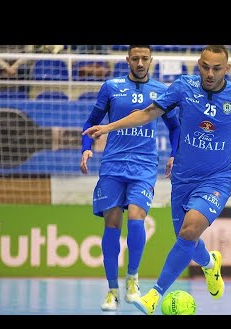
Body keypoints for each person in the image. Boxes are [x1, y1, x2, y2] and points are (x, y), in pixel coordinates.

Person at [82, 45, 231, 315]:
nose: (210, 73)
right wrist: (108, 127)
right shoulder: (183, 87)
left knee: (190, 231)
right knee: (187, 239)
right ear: (198, 65)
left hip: (217, 179)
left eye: (217, 68)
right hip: (182, 178)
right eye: (205, 67)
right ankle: (210, 264)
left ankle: (154, 295)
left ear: (227, 69)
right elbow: (147, 114)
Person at [79, 45, 180, 312]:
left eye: (144, 58)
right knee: (112, 224)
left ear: (151, 60)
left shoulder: (162, 91)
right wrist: (86, 148)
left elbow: (175, 127)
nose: (139, 62)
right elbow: (90, 124)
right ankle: (112, 290)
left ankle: (133, 281)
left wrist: (174, 154)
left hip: (144, 166)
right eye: (135, 58)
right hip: (113, 165)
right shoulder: (111, 87)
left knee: (137, 217)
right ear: (127, 60)